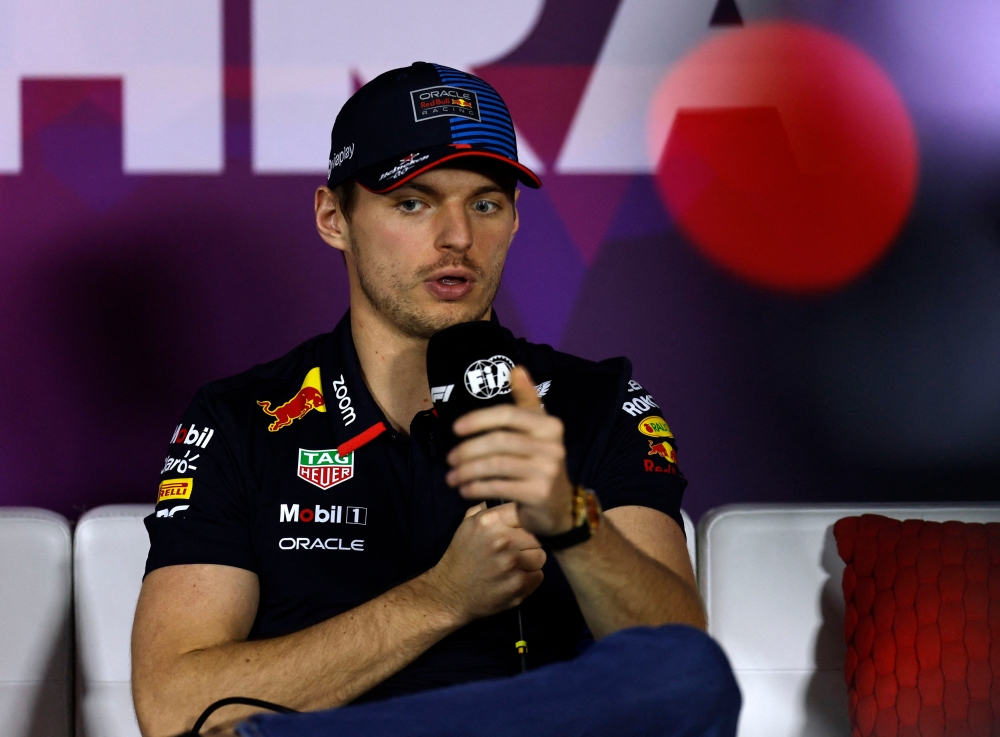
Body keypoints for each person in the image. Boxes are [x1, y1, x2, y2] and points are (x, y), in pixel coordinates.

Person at [131, 62, 738, 737]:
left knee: (692, 669)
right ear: (334, 217)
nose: (457, 237)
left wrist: (571, 520)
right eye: (413, 202)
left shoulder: (595, 400)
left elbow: (676, 664)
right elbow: (170, 704)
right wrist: (441, 598)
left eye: (484, 202)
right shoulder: (240, 418)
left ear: (512, 221)